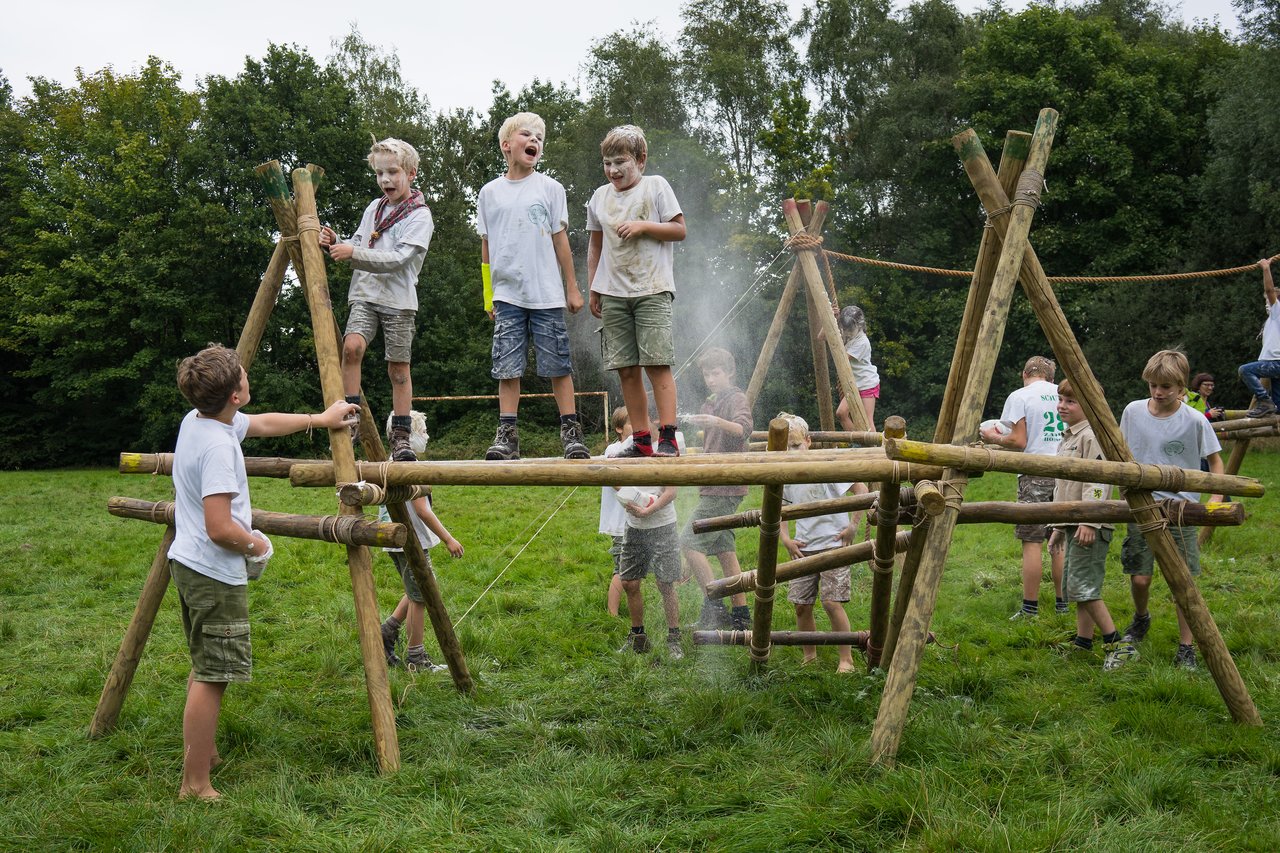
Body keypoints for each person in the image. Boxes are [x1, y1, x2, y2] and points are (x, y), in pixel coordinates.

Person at [167, 344, 359, 800]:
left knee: (204, 663)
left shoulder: (199, 421)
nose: (247, 375)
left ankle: (204, 751)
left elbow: (264, 422)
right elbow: (219, 526)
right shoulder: (217, 447)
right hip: (213, 569)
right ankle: (195, 783)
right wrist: (257, 544)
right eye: (242, 375)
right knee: (213, 674)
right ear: (235, 395)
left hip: (188, 563)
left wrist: (320, 419)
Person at [476, 112, 589, 461]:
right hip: (507, 295)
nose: (535, 141)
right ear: (506, 145)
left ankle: (571, 433)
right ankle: (507, 436)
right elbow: (486, 247)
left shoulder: (551, 189)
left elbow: (560, 241)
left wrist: (572, 286)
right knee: (507, 366)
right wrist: (487, 294)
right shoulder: (489, 193)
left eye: (540, 137)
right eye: (527, 134)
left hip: (546, 294)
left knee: (558, 364)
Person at [319, 138, 433, 462]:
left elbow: (398, 258)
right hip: (365, 294)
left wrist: (353, 253)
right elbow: (357, 241)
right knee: (351, 347)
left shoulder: (420, 216)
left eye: (393, 172)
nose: (385, 180)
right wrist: (335, 241)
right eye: (380, 174)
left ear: (411, 174)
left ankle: (401, 435)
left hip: (399, 299)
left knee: (398, 370)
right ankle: (349, 419)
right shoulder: (374, 208)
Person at [1119, 349, 1224, 670]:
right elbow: (1119, 456)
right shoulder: (1133, 412)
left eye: (1166, 386)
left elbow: (1216, 464)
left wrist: (1213, 503)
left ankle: (1186, 647)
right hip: (1141, 505)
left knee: (1184, 583)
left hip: (1181, 509)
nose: (1158, 392)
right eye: (1153, 385)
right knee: (1139, 578)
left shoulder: (1194, 421)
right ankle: (1141, 618)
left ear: (1182, 388)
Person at [587, 124, 687, 457]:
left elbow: (679, 229)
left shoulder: (655, 186)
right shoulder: (600, 197)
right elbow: (595, 246)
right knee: (626, 369)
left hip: (652, 289)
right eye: (607, 163)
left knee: (657, 363)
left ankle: (668, 436)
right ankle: (641, 440)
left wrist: (644, 226)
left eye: (620, 162)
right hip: (614, 293)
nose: (613, 170)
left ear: (640, 159)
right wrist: (594, 288)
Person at [1045, 379, 1137, 671]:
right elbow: (1065, 487)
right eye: (1060, 399)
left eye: (1070, 401)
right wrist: (1059, 526)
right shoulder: (1069, 436)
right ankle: (1084, 642)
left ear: (1090, 406)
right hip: (1073, 522)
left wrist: (1090, 519)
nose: (1062, 406)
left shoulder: (1091, 436)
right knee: (1077, 585)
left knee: (1084, 585)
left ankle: (1118, 643)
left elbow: (1097, 481)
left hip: (1089, 523)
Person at [377, 411, 464, 672]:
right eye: (423, 431)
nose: (426, 436)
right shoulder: (407, 460)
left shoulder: (392, 458)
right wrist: (449, 539)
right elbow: (423, 509)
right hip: (408, 537)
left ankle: (387, 632)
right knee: (422, 594)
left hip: (397, 536)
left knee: (417, 588)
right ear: (409, 433)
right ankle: (416, 657)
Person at [980, 355, 1066, 619]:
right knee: (1059, 538)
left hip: (1034, 472)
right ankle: (1063, 604)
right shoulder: (1063, 394)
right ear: (1051, 377)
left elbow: (1018, 441)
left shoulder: (1020, 395)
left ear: (1024, 374)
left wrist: (993, 437)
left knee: (1032, 540)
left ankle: (1030, 608)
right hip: (1066, 471)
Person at [776, 413, 859, 673]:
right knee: (801, 606)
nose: (792, 452)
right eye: (786, 448)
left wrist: (853, 526)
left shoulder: (827, 465)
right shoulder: (785, 474)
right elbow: (779, 509)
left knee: (832, 603)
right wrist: (786, 540)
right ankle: (809, 655)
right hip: (803, 548)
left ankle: (846, 659)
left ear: (809, 441)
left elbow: (861, 489)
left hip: (834, 544)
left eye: (796, 445)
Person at [682, 347, 755, 630]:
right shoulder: (709, 403)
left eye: (716, 373)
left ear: (729, 373)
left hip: (726, 485)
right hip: (712, 485)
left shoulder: (736, 398)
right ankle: (741, 617)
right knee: (726, 552)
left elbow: (744, 429)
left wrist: (715, 422)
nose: (710, 379)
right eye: (706, 373)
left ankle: (714, 607)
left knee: (688, 541)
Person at [614, 476, 684, 659]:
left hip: (664, 524)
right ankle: (638, 637)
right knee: (629, 582)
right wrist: (626, 496)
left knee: (665, 584)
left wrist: (648, 510)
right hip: (633, 526)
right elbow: (614, 479)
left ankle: (674, 638)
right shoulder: (625, 449)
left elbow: (671, 491)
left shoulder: (666, 448)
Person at [1237, 257, 1280, 418]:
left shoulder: (1278, 313)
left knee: (1245, 370)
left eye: (1268, 302)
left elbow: (1270, 291)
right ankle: (1271, 405)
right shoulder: (1272, 320)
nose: (1266, 304)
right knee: (1279, 407)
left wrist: (1266, 268)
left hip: (1275, 362)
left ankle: (1264, 400)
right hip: (1275, 365)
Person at [599, 406, 631, 616]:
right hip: (620, 523)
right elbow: (615, 482)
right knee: (621, 569)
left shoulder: (636, 448)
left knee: (632, 570)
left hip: (635, 519)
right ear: (619, 429)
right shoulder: (613, 451)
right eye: (632, 423)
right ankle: (612, 614)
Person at [835, 305, 880, 432]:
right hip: (853, 383)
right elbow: (821, 336)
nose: (847, 331)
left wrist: (836, 335)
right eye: (845, 328)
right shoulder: (847, 336)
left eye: (849, 328)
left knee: (867, 421)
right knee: (841, 413)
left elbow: (842, 359)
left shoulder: (862, 342)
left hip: (866, 382)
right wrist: (831, 318)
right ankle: (859, 440)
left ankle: (872, 447)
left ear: (858, 325)